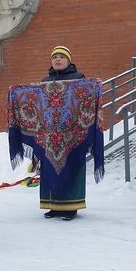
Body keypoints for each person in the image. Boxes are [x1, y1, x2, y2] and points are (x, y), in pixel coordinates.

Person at [40, 46, 86, 220]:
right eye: (54, 57)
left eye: (61, 57)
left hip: (71, 131)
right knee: (51, 168)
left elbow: (84, 100)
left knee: (70, 167)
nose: (58, 60)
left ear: (68, 61)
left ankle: (71, 206)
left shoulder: (78, 78)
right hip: (51, 132)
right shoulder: (45, 80)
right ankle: (54, 205)